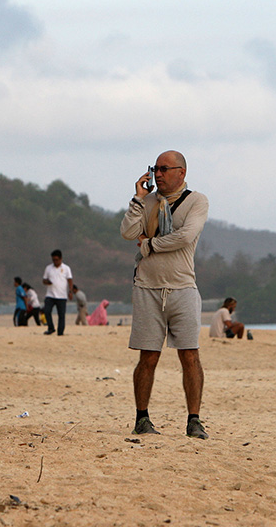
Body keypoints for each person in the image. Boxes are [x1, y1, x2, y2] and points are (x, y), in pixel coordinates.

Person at [120, 150, 210, 439]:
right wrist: (137, 198)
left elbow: (186, 236)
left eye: (164, 169)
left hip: (183, 287)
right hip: (147, 287)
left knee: (190, 355)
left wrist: (149, 246)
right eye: (154, 169)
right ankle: (142, 419)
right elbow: (127, 231)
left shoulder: (197, 201)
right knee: (148, 356)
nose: (157, 174)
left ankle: (194, 420)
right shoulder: (147, 202)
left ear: (181, 172)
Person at [41, 249, 74, 336]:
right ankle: (51, 328)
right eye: (53, 260)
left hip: (62, 296)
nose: (55, 262)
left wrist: (70, 291)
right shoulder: (48, 268)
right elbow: (43, 280)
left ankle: (60, 332)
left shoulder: (66, 268)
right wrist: (47, 282)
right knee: (47, 311)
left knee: (61, 315)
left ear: (61, 259)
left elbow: (70, 281)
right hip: (50, 295)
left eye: (56, 260)